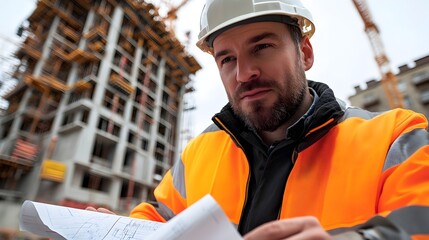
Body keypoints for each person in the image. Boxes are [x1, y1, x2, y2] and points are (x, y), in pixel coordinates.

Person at [90, 0, 429, 239]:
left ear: (305, 53)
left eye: (262, 46)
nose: (244, 73)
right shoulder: (199, 154)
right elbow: (158, 221)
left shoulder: (395, 137)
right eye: (226, 59)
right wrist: (118, 231)